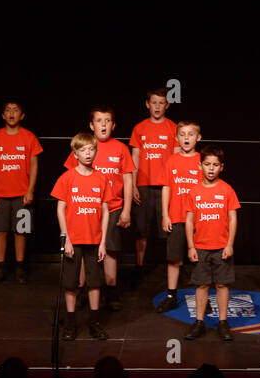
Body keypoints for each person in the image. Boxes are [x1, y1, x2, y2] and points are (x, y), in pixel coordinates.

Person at [62, 106, 134, 310]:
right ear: (91, 125)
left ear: (114, 125)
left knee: (110, 249)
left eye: (108, 120)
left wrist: (126, 210)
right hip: (86, 210)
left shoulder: (121, 149)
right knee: (86, 249)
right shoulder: (84, 147)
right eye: (99, 121)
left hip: (112, 208)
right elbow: (70, 179)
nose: (103, 124)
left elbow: (128, 181)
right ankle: (83, 288)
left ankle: (111, 290)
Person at [52, 133, 111, 340]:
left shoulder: (101, 178)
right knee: (70, 283)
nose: (88, 153)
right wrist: (65, 237)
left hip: (94, 241)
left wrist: (103, 242)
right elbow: (61, 209)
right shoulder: (67, 178)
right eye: (83, 150)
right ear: (75, 153)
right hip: (73, 240)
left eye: (91, 149)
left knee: (94, 282)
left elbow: (106, 212)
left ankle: (94, 322)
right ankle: (70, 323)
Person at [183, 145, 240, 342]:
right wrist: (191, 246)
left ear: (221, 167)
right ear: (200, 165)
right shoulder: (194, 191)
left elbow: (233, 218)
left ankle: (223, 322)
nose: (211, 168)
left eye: (215, 165)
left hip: (221, 247)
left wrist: (229, 244)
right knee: (202, 285)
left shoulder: (227, 190)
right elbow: (189, 221)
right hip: (200, 247)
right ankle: (199, 322)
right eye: (207, 164)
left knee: (222, 284)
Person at [0, 101, 42, 284]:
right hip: (0, 194)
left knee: (20, 231)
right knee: (0, 232)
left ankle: (19, 268)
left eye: (15, 110)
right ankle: (0, 268)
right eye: (7, 110)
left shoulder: (29, 137)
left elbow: (34, 165)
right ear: (3, 115)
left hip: (22, 195)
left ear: (22, 115)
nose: (11, 113)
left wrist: (30, 190)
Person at [129, 88, 178, 282]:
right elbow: (135, 158)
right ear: (147, 104)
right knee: (141, 230)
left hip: (166, 187)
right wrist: (132, 185)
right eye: (154, 103)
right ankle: (139, 267)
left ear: (167, 105)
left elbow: (176, 161)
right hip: (143, 185)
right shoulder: (139, 128)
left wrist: (174, 186)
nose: (157, 107)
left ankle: (172, 269)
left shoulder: (173, 128)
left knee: (168, 230)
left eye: (161, 103)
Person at [157, 120, 202, 312]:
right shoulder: (171, 160)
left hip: (199, 220)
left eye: (191, 134)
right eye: (182, 134)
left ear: (198, 138)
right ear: (176, 138)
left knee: (199, 259)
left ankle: (203, 297)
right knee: (174, 258)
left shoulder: (202, 160)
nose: (186, 138)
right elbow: (166, 188)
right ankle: (171, 295)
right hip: (176, 217)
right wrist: (165, 215)